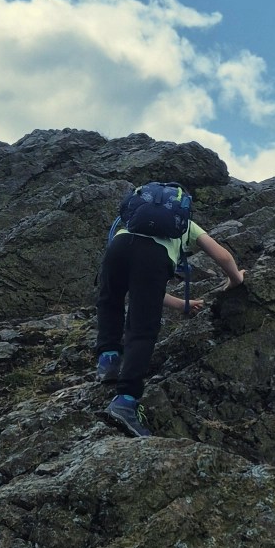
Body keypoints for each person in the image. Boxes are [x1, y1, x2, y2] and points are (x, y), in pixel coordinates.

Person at [95, 185, 245, 438]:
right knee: (141, 330)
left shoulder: (131, 218)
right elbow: (222, 255)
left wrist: (180, 304)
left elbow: (138, 287)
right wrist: (235, 280)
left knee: (110, 301)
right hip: (154, 259)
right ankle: (126, 401)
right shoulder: (185, 224)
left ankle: (108, 359)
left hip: (117, 249)